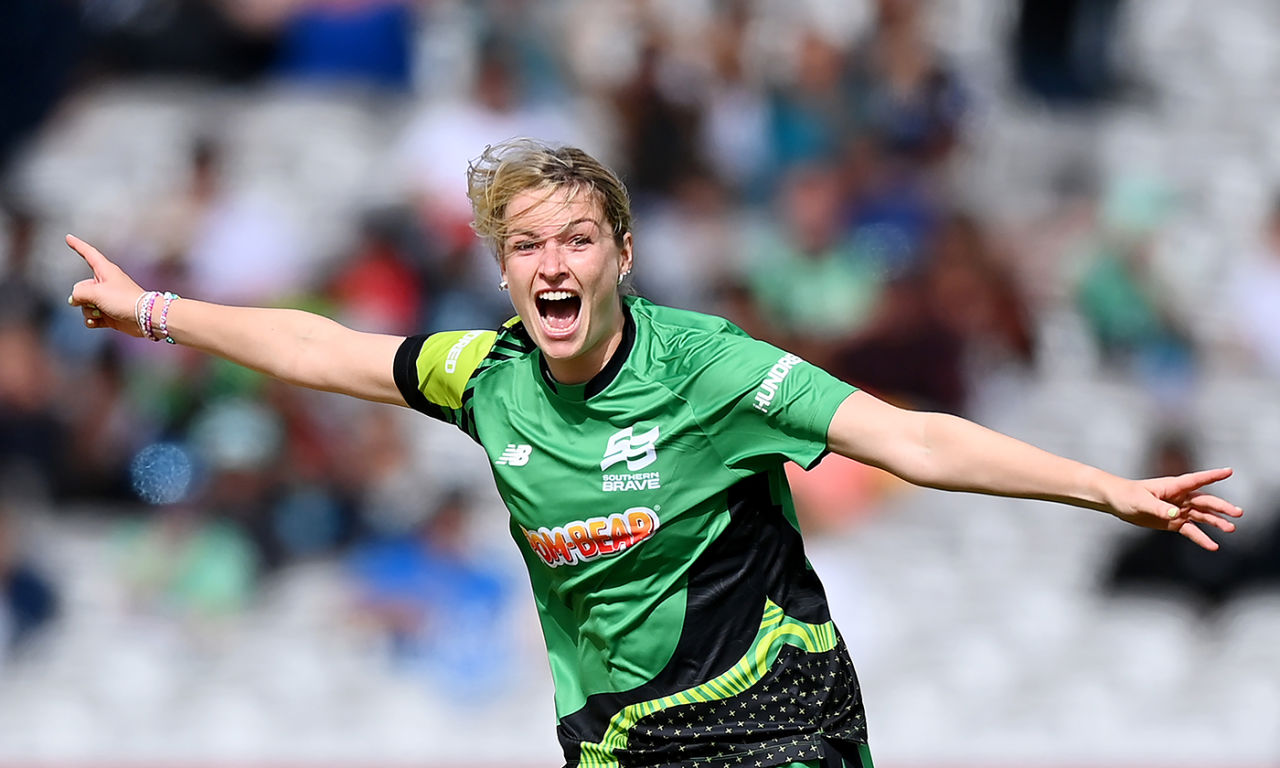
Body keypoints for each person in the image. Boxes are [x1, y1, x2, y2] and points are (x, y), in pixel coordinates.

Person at [65, 138, 1242, 768]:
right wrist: (157, 313)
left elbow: (907, 437)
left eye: (576, 238)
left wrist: (1102, 487)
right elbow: (320, 349)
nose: (551, 264)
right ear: (506, 272)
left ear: (620, 253)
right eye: (526, 246)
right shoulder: (483, 379)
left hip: (772, 716)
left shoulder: (708, 368)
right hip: (618, 742)